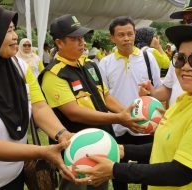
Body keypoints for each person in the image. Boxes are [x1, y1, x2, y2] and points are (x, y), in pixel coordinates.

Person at [76, 18, 192, 190]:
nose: (186, 67)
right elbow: (164, 144)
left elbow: (181, 172)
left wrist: (115, 170)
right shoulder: (186, 100)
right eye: (180, 58)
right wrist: (124, 150)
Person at [0, 4, 74, 190]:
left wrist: (62, 134)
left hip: (15, 176)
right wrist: (43, 152)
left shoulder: (19, 67)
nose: (15, 36)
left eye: (14, 29)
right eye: (7, 30)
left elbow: (39, 107)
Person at [39, 14, 145, 190]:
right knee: (76, 185)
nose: (82, 42)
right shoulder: (54, 74)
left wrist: (128, 113)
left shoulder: (89, 65)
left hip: (101, 143)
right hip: (75, 150)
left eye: (82, 37)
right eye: (74, 39)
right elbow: (73, 112)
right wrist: (119, 118)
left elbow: (106, 97)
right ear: (59, 43)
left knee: (100, 184)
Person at [98, 16, 162, 190]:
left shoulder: (148, 59)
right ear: (112, 38)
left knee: (148, 169)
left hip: (146, 125)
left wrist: (149, 94)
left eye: (130, 33)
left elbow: (159, 90)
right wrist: (122, 116)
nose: (126, 38)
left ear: (135, 34)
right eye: (121, 35)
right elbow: (104, 96)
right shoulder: (105, 63)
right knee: (118, 171)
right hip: (118, 125)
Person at [139, 0, 192, 107]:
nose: (186, 67)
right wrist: (152, 92)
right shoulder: (179, 53)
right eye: (183, 21)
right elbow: (169, 88)